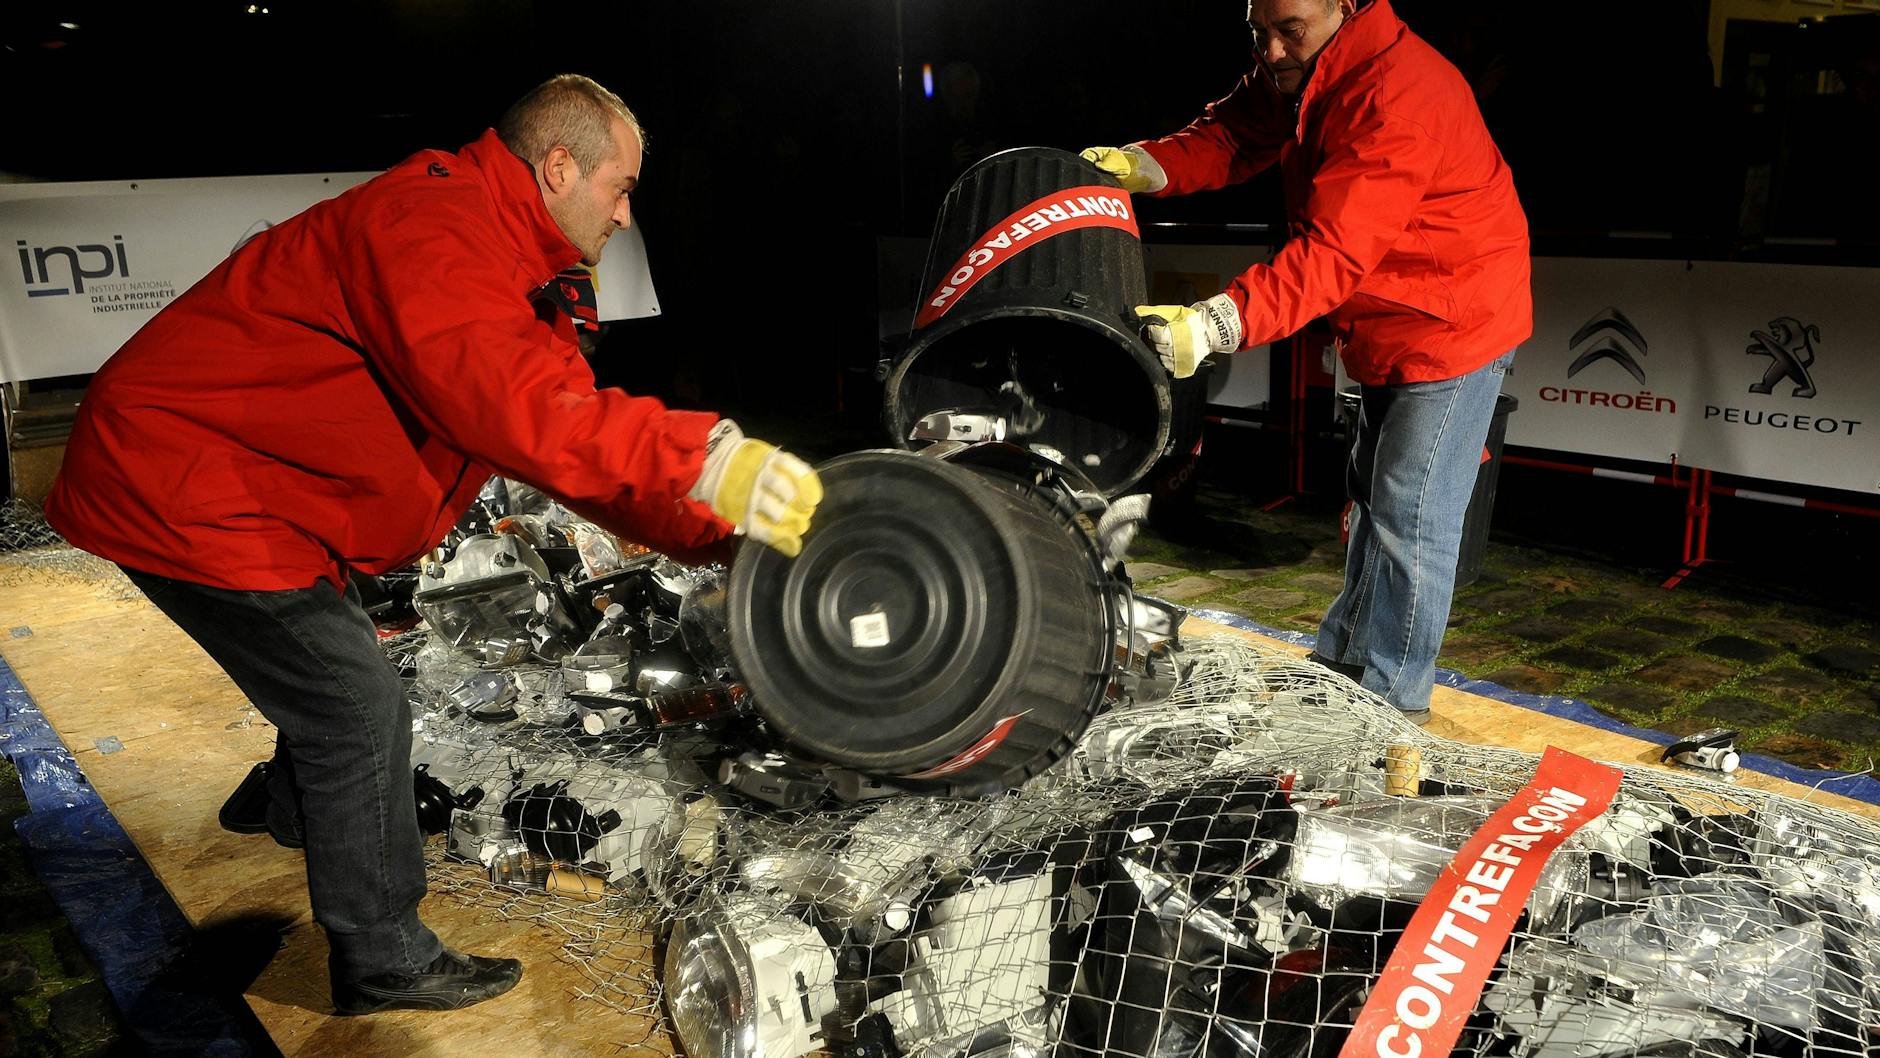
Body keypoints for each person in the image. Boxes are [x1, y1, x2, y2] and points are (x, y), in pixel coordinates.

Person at [45, 74, 821, 1014]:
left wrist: (721, 537)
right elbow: (517, 409)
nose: (626, 214)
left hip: (264, 484)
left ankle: (283, 804)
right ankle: (383, 957)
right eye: (619, 188)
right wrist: (709, 457)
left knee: (329, 668)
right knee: (355, 708)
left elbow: (565, 449)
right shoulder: (432, 225)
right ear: (559, 166)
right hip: (187, 480)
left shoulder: (517, 268)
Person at [1081, 0, 1530, 723]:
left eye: (1289, 30)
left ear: (1343, 6)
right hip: (1387, 314)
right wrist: (1146, 164)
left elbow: (1334, 253)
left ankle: (1393, 703)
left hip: (1454, 318)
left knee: (1412, 514)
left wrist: (1217, 322)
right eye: (1257, 31)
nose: (1271, 50)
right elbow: (1233, 134)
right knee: (1373, 498)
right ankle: (1343, 664)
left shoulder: (1399, 94)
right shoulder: (1305, 68)